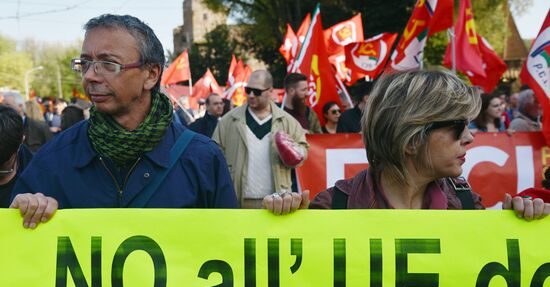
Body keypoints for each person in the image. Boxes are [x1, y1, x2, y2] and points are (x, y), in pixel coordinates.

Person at [11, 14, 237, 212]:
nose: (90, 75)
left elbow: (230, 245)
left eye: (109, 64)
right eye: (85, 63)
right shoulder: (54, 159)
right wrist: (25, 210)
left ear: (151, 75)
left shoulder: (201, 159)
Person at [263, 70, 550, 220]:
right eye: (456, 127)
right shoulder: (332, 208)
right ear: (411, 140)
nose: (469, 137)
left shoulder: (466, 205)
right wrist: (287, 224)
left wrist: (521, 230)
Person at [213, 69, 309, 208]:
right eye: (248, 90)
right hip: (238, 199)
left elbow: (303, 151)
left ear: (270, 91)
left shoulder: (287, 121)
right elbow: (214, 154)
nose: (251, 95)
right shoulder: (229, 120)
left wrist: (294, 151)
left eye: (257, 91)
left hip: (277, 202)